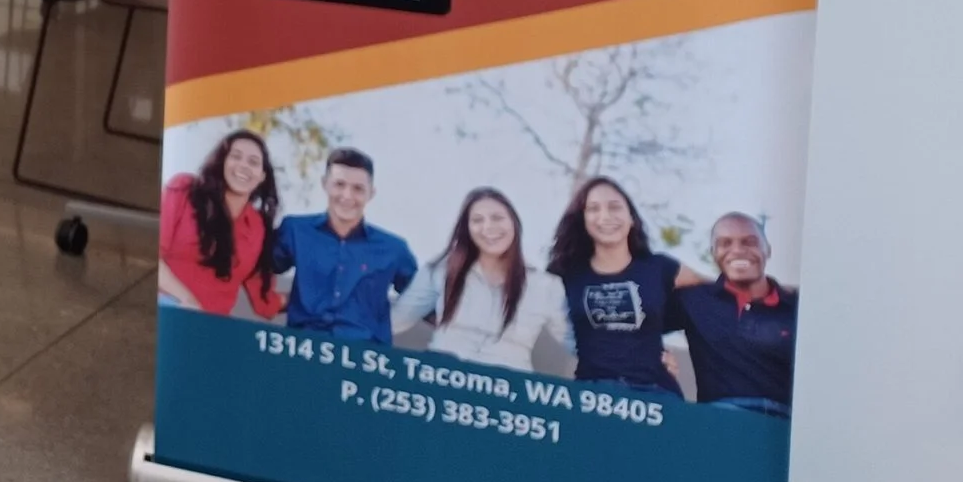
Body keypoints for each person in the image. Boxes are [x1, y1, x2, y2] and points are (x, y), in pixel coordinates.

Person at [546, 176, 702, 393]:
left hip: (656, 393)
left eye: (615, 207)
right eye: (593, 209)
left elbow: (718, 292)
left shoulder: (659, 267)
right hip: (593, 394)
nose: (606, 216)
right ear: (582, 220)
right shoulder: (567, 274)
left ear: (631, 218)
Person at [391, 186, 568, 370]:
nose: (488, 227)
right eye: (477, 220)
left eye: (497, 218)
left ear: (514, 222)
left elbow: (577, 342)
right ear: (466, 228)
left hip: (506, 389)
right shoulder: (441, 270)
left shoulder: (545, 286)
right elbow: (395, 320)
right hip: (445, 381)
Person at [266, 147, 417, 342]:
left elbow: (426, 302)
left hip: (364, 361)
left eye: (358, 188)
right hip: (302, 352)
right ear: (325, 184)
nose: (347, 195)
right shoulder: (295, 230)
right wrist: (274, 301)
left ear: (371, 193)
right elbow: (254, 265)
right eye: (339, 184)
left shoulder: (394, 250)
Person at [670, 213, 799, 414]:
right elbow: (630, 320)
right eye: (725, 243)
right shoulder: (695, 299)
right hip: (722, 419)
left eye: (749, 242)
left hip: (786, 424)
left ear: (768, 250)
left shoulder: (797, 307)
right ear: (714, 253)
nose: (737, 250)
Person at [159, 129, 285, 318]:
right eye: (236, 156)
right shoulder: (184, 189)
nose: (243, 166)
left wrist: (307, 297)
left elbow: (265, 302)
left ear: (262, 176)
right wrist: (186, 299)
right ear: (222, 162)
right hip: (167, 311)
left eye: (253, 162)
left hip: (211, 329)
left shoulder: (258, 227)